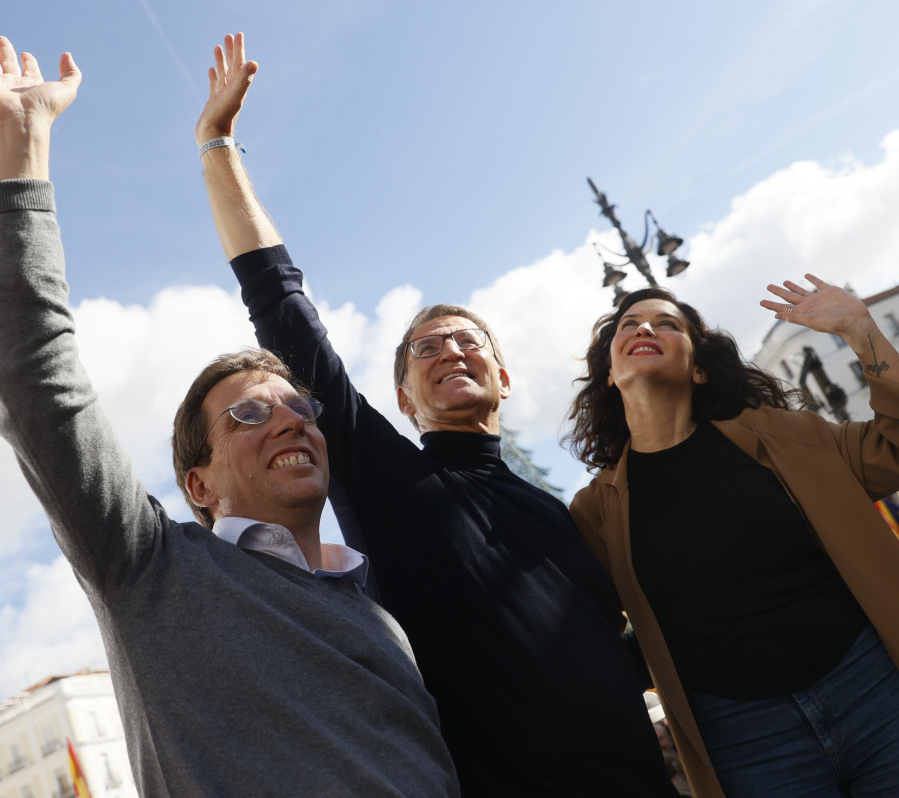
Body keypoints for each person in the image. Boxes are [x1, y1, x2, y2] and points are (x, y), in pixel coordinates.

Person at [0, 33, 458, 798]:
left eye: (300, 406)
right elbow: (37, 383)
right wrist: (19, 139)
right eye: (250, 414)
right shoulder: (151, 568)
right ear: (197, 484)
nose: (290, 420)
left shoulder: (377, 613)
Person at [197, 32, 675, 797]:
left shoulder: (568, 516)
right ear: (402, 401)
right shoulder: (386, 480)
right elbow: (282, 308)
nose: (449, 348)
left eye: (467, 339)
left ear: (504, 378)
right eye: (424, 348)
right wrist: (219, 146)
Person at [565, 279, 899, 797]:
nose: (645, 327)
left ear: (699, 368)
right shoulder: (596, 511)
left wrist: (861, 332)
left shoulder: (785, 438)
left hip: (878, 695)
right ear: (611, 376)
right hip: (744, 742)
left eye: (667, 323)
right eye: (628, 326)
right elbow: (588, 636)